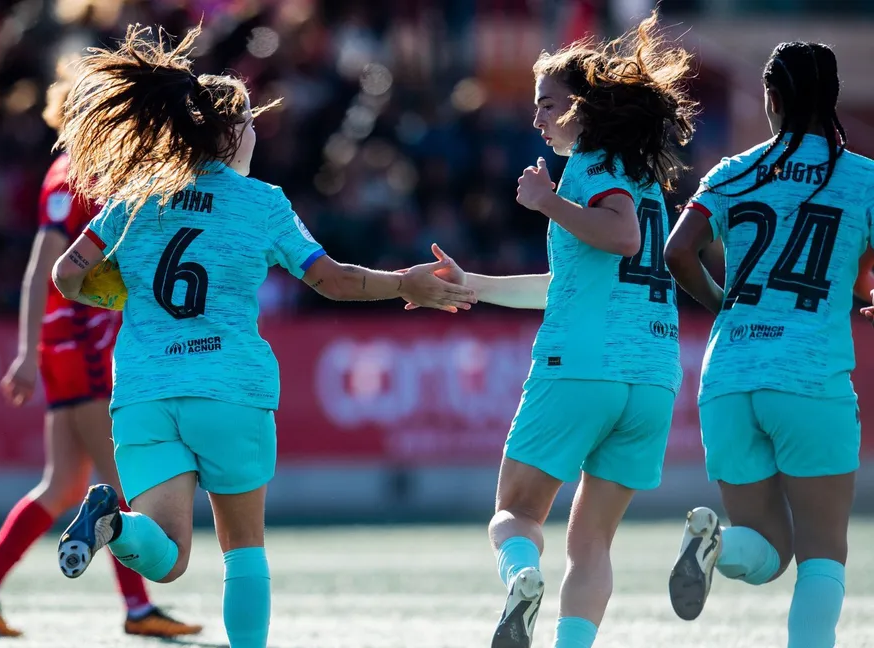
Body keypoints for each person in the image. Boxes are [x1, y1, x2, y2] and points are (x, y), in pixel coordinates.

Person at [46, 24, 476, 648]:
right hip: (229, 387)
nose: (254, 130)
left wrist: (114, 292)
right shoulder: (263, 203)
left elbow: (68, 275)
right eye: (248, 121)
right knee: (243, 552)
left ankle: (111, 525)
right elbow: (330, 280)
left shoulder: (133, 199)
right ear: (227, 133)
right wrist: (406, 283)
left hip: (144, 391)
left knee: (166, 557)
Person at [413, 12, 696, 648]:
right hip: (651, 374)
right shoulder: (641, 177)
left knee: (514, 513)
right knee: (591, 540)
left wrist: (547, 201)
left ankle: (521, 577)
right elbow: (570, 282)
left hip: (583, 367)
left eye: (547, 103)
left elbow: (619, 236)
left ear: (582, 107)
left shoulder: (590, 170)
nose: (536, 117)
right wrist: (476, 285)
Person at [0, 59, 202, 640]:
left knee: (64, 484)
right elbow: (42, 265)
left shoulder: (87, 173)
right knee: (122, 479)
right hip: (78, 345)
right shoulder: (71, 177)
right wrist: (25, 350)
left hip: (65, 346)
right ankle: (139, 609)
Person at [663, 41, 870, 648]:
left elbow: (678, 252)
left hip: (728, 375)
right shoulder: (864, 178)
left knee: (767, 551)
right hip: (811, 378)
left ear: (772, 98)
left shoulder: (732, 172)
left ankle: (716, 543)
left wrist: (724, 302)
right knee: (821, 553)